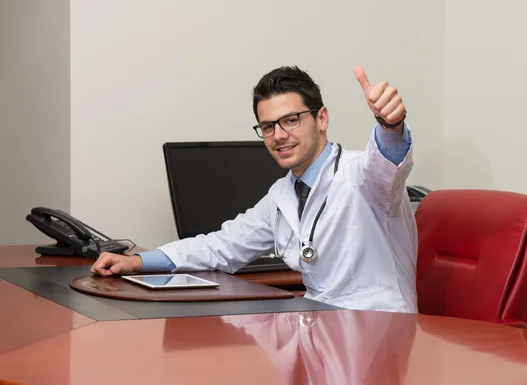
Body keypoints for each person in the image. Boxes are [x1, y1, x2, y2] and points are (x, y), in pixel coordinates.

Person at [91, 65, 417, 313]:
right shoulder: (282, 196)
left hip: (382, 331)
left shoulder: (360, 175)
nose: (278, 135)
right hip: (323, 328)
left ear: (322, 118)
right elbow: (220, 246)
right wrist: (137, 262)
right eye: (267, 126)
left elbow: (386, 162)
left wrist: (390, 124)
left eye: (291, 120)